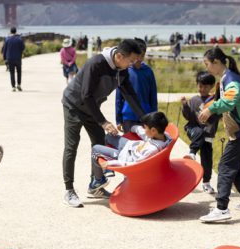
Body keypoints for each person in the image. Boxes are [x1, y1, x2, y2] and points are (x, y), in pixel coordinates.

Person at [61, 39, 145, 207]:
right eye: (131, 60)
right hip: (74, 105)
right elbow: (86, 95)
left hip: (92, 108)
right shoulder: (96, 64)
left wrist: (146, 119)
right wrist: (104, 122)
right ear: (120, 56)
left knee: (99, 144)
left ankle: (95, 184)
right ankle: (69, 190)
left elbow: (130, 94)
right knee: (72, 146)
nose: (132, 64)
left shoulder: (122, 70)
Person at [197, 46, 240, 222]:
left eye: (207, 64)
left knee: (225, 167)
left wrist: (211, 109)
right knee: (236, 167)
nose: (207, 68)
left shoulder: (231, 80)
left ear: (217, 62)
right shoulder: (228, 78)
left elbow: (229, 101)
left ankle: (221, 208)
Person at [88, 111, 171, 194]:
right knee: (109, 136)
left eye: (145, 128)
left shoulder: (152, 150)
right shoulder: (163, 135)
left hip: (125, 156)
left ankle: (99, 180)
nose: (144, 130)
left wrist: (110, 163)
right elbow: (144, 134)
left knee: (95, 149)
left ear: (153, 130)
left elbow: (135, 164)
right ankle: (108, 171)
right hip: (128, 145)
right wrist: (133, 128)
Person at [181, 71, 220, 194]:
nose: (202, 89)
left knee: (207, 160)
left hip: (207, 133)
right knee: (199, 131)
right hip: (193, 129)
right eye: (200, 86)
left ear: (211, 87)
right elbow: (189, 117)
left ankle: (206, 183)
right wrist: (185, 106)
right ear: (197, 85)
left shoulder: (215, 101)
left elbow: (216, 117)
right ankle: (192, 152)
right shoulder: (194, 100)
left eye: (206, 86)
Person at [115, 38, 158, 132]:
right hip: (128, 116)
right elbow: (119, 97)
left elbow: (153, 97)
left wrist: (154, 118)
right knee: (129, 144)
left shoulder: (149, 72)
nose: (138, 59)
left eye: (142, 56)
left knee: (143, 145)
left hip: (146, 116)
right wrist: (118, 120)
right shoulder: (124, 71)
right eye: (137, 56)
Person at [2, 26, 25, 91]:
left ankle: (13, 87)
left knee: (12, 72)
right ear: (16, 31)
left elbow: (4, 49)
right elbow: (23, 48)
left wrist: (4, 58)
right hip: (18, 58)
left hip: (10, 58)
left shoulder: (7, 39)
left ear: (10, 32)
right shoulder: (19, 39)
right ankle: (19, 85)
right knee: (19, 72)